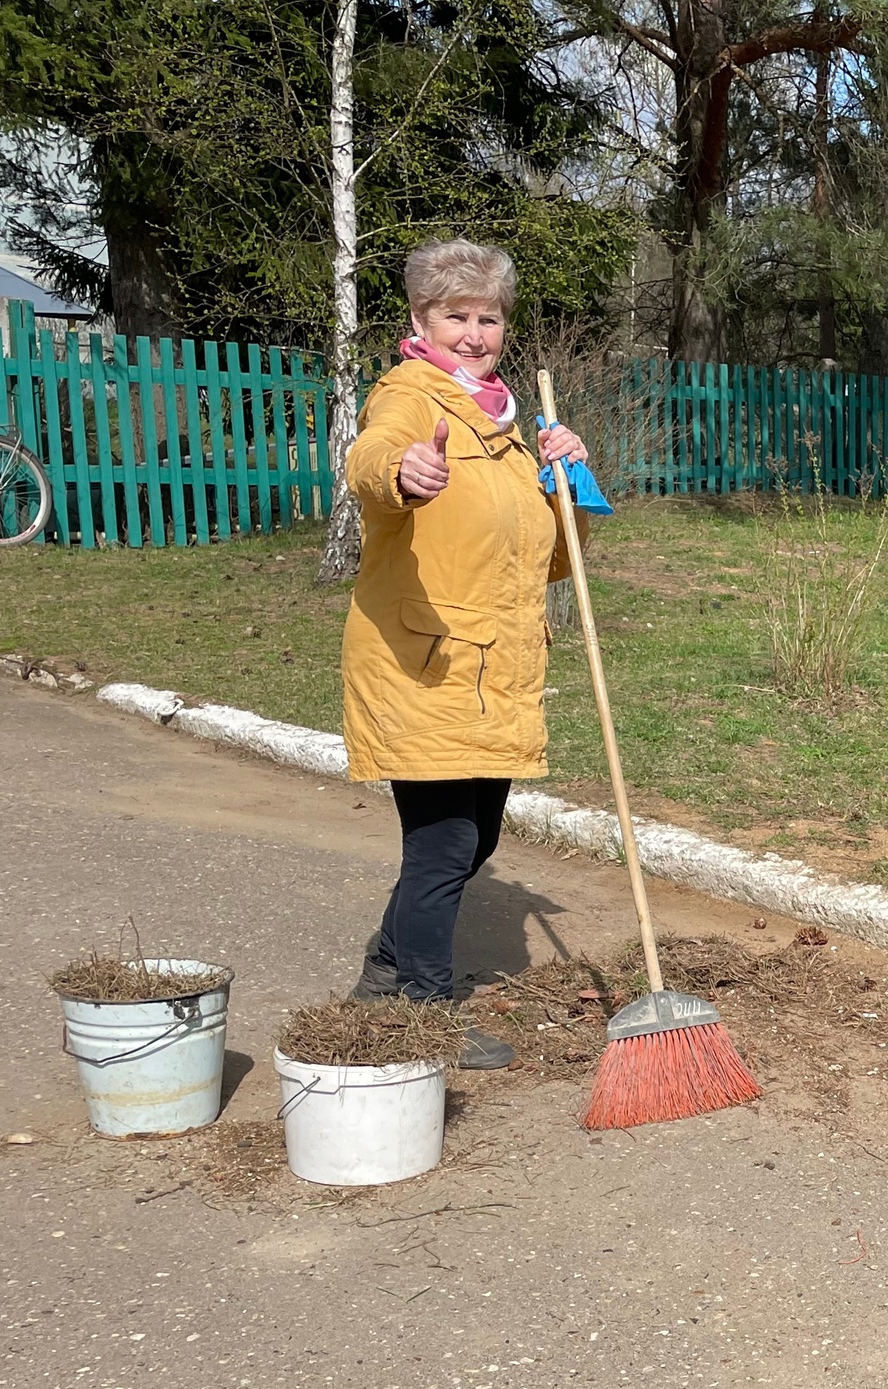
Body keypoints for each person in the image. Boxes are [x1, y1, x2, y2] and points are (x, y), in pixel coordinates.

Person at [339, 237, 590, 1070]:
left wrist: (569, 484)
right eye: (457, 316)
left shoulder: (512, 426)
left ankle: (385, 968)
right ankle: (425, 1013)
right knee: (443, 848)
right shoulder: (411, 398)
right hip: (428, 664)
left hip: (498, 671)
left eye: (489, 318)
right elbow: (372, 460)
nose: (474, 333)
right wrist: (403, 473)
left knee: (474, 842)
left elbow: (559, 559)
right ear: (421, 319)